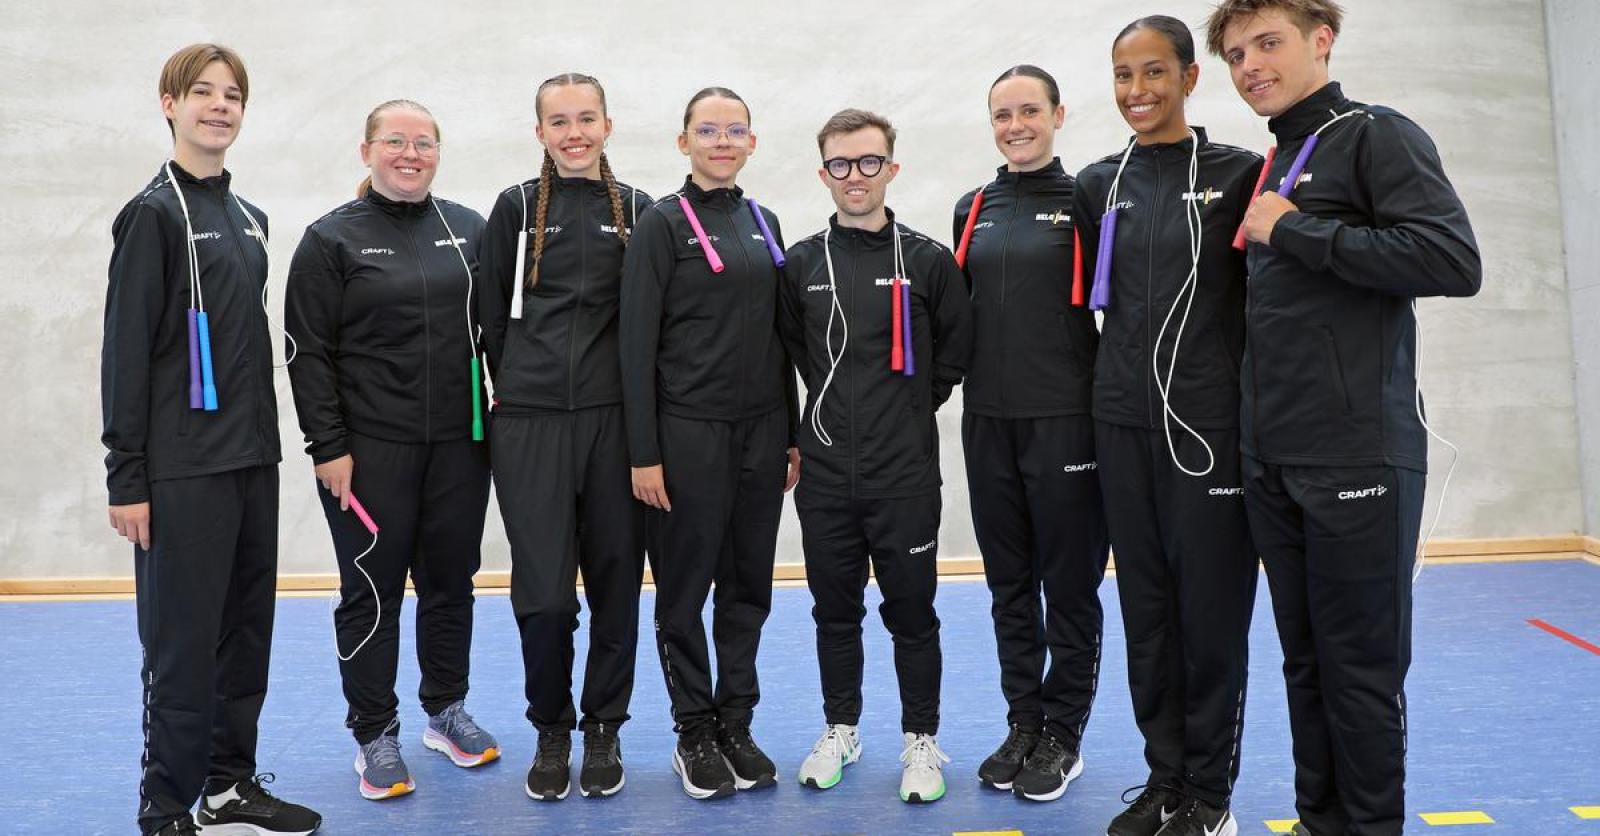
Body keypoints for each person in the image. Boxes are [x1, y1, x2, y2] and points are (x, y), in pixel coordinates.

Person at [1204, 1, 1483, 833]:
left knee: (1360, 673)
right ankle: (1318, 822)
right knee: (1306, 665)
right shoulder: (1278, 158)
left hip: (1359, 454)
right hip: (1273, 459)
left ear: (1321, 41)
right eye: (1236, 54)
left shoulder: (1374, 134)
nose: (1251, 65)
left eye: (1268, 43)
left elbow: (1451, 259)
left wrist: (1299, 232)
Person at [102, 43, 321, 836]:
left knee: (246, 636)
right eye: (202, 92)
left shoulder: (249, 218)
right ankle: (165, 805)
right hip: (182, 470)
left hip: (251, 460)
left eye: (232, 95)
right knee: (182, 646)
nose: (219, 106)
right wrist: (127, 475)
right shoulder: (153, 216)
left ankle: (228, 789)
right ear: (170, 105)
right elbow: (126, 353)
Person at [1073, 16, 1265, 836]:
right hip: (1121, 426)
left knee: (1209, 618)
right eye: (1124, 74)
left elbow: (1262, 307)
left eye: (1154, 72)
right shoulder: (1097, 184)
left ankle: (1209, 796)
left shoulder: (1240, 174)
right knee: (1147, 614)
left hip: (1208, 431)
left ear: (1190, 77)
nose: (1137, 90)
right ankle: (1165, 780)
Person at [285, 98, 498, 802]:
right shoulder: (330, 240)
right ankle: (374, 731)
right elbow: (307, 354)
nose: (411, 154)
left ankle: (446, 709)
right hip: (368, 455)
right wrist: (328, 446)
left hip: (460, 449)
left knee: (451, 584)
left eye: (424, 143)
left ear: (438, 152)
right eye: (396, 142)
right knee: (371, 591)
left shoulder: (468, 229)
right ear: (367, 150)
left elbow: (499, 334)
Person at [780, 108, 973, 804]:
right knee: (834, 613)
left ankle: (921, 739)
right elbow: (793, 356)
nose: (854, 176)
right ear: (823, 173)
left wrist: (903, 414)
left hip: (905, 478)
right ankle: (842, 729)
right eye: (840, 163)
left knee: (912, 614)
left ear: (891, 168)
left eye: (868, 162)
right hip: (826, 477)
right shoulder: (800, 263)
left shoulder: (927, 260)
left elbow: (953, 354)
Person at [619, 86, 800, 800]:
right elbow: (636, 346)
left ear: (751, 142)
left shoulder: (764, 220)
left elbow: (781, 340)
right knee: (685, 590)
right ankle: (693, 731)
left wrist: (790, 434)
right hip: (687, 436)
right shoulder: (661, 224)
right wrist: (644, 453)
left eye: (735, 130)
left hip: (762, 434)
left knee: (748, 587)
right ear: (683, 142)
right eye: (707, 130)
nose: (722, 141)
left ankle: (736, 724)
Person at [477, 72, 652, 802]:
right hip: (531, 425)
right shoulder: (515, 208)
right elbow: (489, 317)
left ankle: (603, 726)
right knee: (545, 597)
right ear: (540, 131)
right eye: (559, 121)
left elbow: (650, 322)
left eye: (586, 119)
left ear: (608, 125)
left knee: (615, 585)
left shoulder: (639, 210)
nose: (574, 133)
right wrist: (526, 389)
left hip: (615, 425)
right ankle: (552, 729)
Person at [951, 64, 1109, 802]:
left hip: (1067, 423)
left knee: (1069, 587)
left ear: (1057, 115)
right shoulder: (973, 207)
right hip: (988, 423)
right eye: (1002, 115)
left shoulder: (1087, 200)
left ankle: (1063, 734)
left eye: (1029, 112)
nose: (1015, 126)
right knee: (1009, 586)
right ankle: (1023, 722)